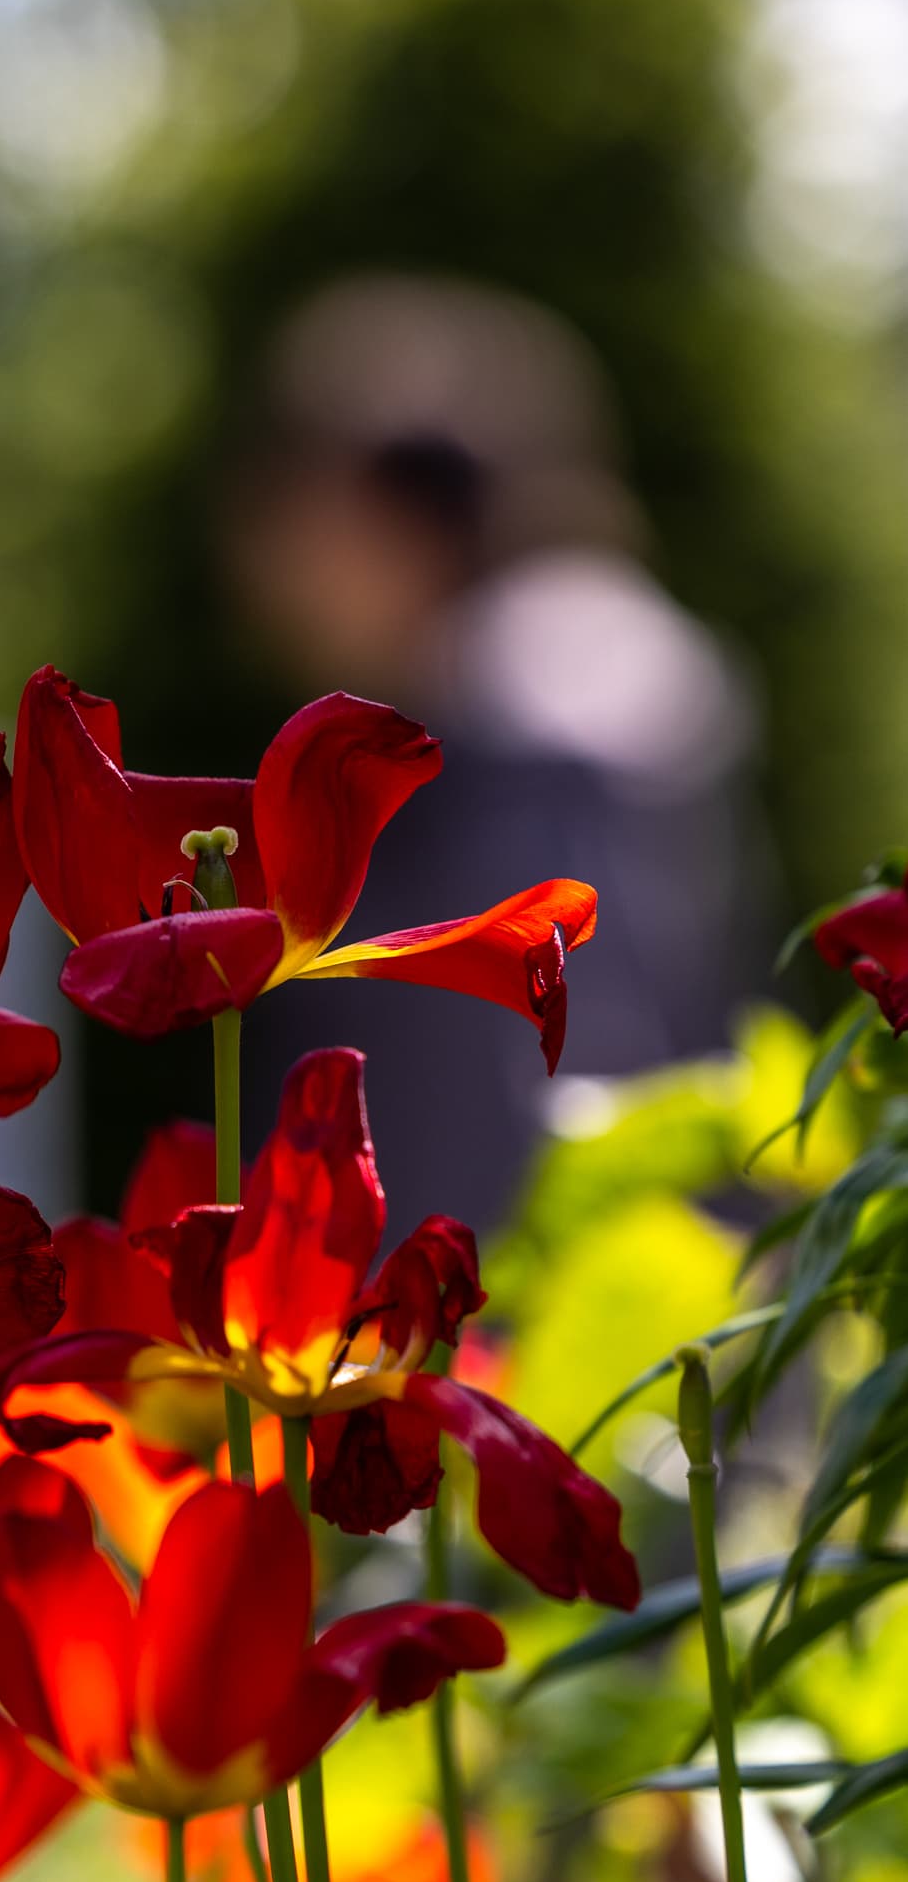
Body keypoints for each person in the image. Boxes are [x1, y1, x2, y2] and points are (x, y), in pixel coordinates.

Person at [227, 275, 766, 1230]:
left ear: (381, 515)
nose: (254, 563)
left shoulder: (513, 724)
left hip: (535, 1305)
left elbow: (547, 1097)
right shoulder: (586, 672)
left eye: (282, 508)